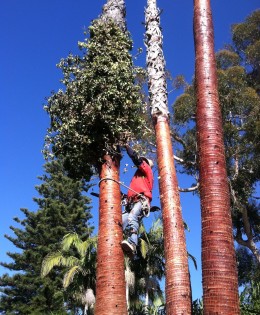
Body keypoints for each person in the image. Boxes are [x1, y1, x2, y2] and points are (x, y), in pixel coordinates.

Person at [121, 144, 154, 258]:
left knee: (132, 217)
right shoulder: (136, 178)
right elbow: (131, 192)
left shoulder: (147, 171)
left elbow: (135, 158)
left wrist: (127, 147)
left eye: (144, 161)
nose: (141, 162)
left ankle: (132, 244)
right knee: (119, 222)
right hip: (131, 203)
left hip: (141, 201)